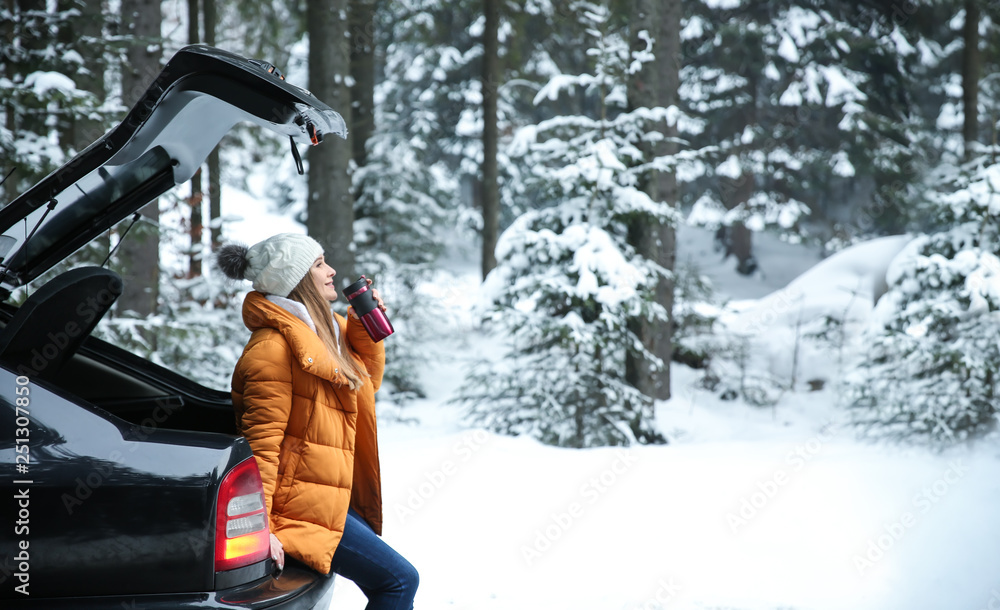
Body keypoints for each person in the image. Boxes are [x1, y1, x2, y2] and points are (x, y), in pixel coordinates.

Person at [216, 233, 418, 610]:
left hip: (324, 494)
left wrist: (361, 326)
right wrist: (263, 529)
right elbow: (262, 446)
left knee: (397, 580)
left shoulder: (326, 329)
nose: (332, 271)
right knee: (399, 581)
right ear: (297, 279)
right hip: (295, 507)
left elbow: (365, 385)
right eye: (319, 264)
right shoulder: (272, 350)